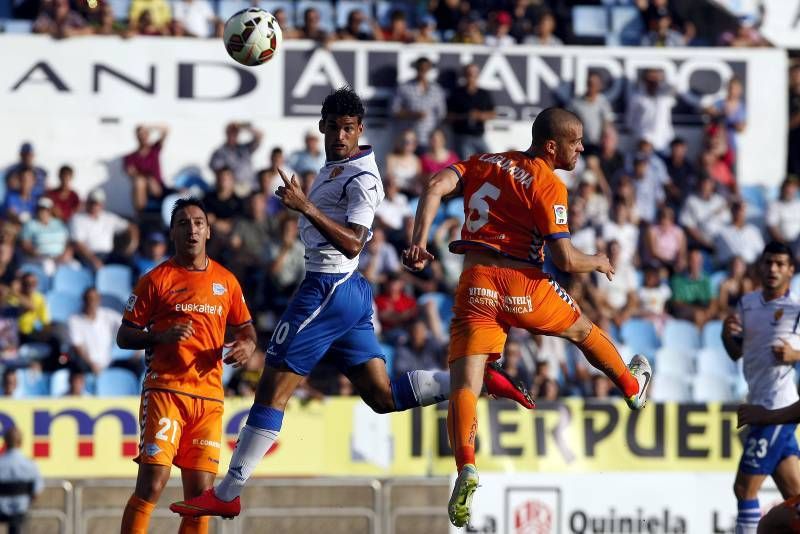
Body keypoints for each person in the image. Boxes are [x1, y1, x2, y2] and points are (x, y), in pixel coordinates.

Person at [170, 87, 534, 520]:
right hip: (349, 293)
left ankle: (228, 491)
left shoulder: (364, 178)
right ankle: (475, 381)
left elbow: (352, 243)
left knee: (270, 389)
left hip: (327, 288)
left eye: (349, 128)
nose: (341, 135)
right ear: (323, 126)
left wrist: (305, 207)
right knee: (380, 396)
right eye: (335, 127)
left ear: (359, 129)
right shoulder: (335, 166)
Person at [402, 107, 652, 528]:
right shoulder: (548, 183)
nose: (582, 148)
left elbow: (434, 185)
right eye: (576, 142)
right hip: (521, 283)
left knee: (466, 383)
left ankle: (466, 466)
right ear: (552, 145)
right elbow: (565, 259)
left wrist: (419, 242)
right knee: (581, 330)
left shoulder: (487, 161)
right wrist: (599, 261)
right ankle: (631, 387)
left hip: (475, 281)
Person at [117, 197, 257, 534]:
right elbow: (125, 335)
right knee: (153, 482)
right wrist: (160, 336)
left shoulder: (226, 281)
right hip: (166, 390)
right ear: (173, 233)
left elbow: (246, 327)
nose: (191, 228)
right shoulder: (156, 280)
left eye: (198, 222)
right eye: (183, 223)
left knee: (200, 497)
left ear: (208, 231)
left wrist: (247, 344)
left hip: (208, 399)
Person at [722, 241, 800, 534]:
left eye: (780, 264)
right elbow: (736, 352)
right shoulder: (747, 303)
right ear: (760, 266)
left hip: (779, 407)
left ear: (791, 270)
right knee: (794, 495)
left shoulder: (796, 310)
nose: (773, 269)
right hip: (759, 404)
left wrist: (795, 355)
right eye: (768, 263)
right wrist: (724, 335)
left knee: (744, 489)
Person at [446, 63, 496, 160]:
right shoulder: (456, 93)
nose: (471, 77)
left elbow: (493, 114)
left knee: (491, 161)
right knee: (467, 164)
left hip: (479, 136)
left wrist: (480, 115)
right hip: (462, 136)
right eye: (469, 74)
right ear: (464, 75)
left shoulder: (483, 94)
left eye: (474, 74)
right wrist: (465, 116)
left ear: (478, 75)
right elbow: (448, 116)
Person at [0, 427, 43, 534]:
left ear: (5, 442)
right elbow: (36, 491)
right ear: (21, 442)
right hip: (21, 511)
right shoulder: (30, 464)